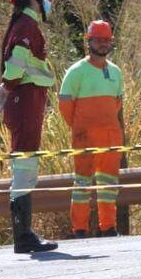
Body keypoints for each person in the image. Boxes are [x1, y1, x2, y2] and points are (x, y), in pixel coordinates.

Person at [0, 0, 58, 253]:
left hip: (27, 101)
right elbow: (16, 65)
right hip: (24, 102)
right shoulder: (26, 26)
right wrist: (6, 89)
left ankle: (25, 234)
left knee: (27, 166)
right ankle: (23, 237)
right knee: (24, 167)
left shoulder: (25, 24)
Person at [58, 20, 125, 238]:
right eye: (98, 40)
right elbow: (65, 104)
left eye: (106, 40)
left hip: (111, 136)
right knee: (82, 183)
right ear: (89, 42)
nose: (103, 44)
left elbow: (118, 103)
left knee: (108, 184)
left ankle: (108, 227)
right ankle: (80, 229)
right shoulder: (76, 71)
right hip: (85, 136)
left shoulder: (116, 72)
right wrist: (79, 128)